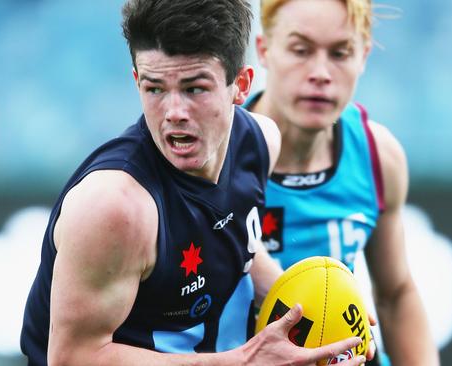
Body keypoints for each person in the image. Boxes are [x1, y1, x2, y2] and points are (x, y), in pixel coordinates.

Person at [20, 0, 368, 365]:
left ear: (242, 85)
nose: (174, 113)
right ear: (137, 80)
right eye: (154, 89)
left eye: (195, 88)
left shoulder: (261, 142)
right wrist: (246, 361)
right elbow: (74, 357)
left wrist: (321, 322)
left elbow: (236, 239)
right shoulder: (114, 208)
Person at [246, 0, 439, 365]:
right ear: (264, 50)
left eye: (340, 53)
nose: (320, 72)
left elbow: (396, 293)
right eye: (300, 50)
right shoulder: (217, 156)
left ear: (363, 57)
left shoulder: (378, 157)